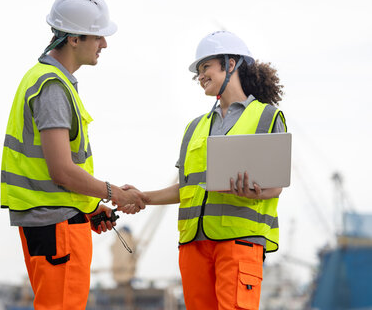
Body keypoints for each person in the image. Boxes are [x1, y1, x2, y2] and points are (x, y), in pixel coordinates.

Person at [0, 0, 148, 310]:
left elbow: (52, 173)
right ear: (74, 39)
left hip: (54, 224)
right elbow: (61, 171)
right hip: (57, 231)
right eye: (98, 37)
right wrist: (112, 193)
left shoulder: (45, 80)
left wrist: (91, 207)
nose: (104, 44)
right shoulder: (52, 86)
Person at [122, 31, 287, 309]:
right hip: (193, 246)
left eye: (205, 66)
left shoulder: (267, 117)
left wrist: (252, 193)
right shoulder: (194, 127)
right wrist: (143, 197)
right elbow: (187, 187)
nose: (200, 76)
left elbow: (276, 185)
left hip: (239, 243)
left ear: (230, 63)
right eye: (198, 71)